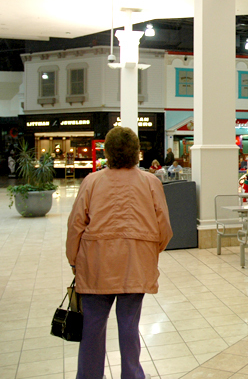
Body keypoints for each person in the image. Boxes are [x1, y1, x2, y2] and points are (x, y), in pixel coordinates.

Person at [66, 126, 173, 379]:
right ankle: (132, 375)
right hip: (135, 264)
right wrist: (150, 250)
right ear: (137, 152)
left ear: (108, 152)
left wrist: (74, 260)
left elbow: (76, 225)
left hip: (96, 265)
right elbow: (164, 228)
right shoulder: (150, 182)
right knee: (129, 326)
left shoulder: (92, 181)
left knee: (92, 327)